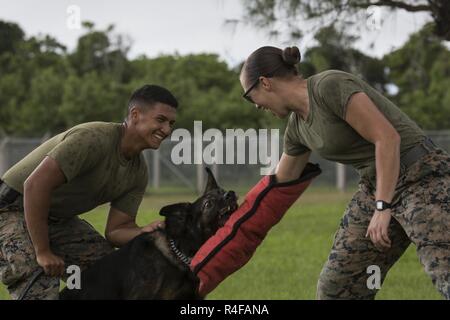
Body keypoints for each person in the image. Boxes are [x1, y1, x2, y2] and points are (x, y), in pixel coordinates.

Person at [191, 46, 450, 300]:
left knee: (444, 275)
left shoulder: (329, 86)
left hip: (423, 177)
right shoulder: (296, 129)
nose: (256, 107)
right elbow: (279, 184)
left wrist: (383, 208)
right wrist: (233, 220)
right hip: (375, 187)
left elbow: (387, 138)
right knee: (337, 289)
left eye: (249, 96)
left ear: (265, 83)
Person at [0, 84, 177, 300]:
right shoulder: (92, 138)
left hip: (55, 219)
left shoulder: (138, 171)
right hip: (9, 210)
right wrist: (43, 251)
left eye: (171, 124)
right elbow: (35, 186)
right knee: (39, 283)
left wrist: (146, 232)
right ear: (135, 115)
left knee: (110, 271)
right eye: (161, 120)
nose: (167, 130)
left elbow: (116, 231)